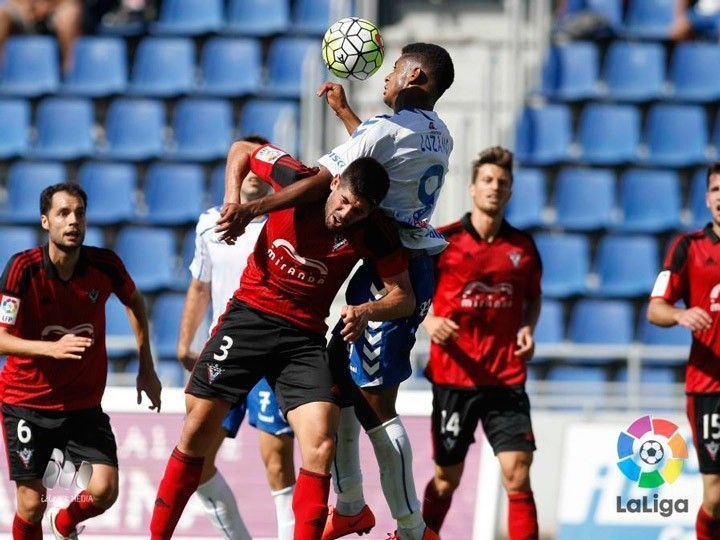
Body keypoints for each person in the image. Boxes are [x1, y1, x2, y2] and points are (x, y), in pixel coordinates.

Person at [216, 42, 454, 540]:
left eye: (392, 71)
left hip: (397, 274)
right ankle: (349, 505)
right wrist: (348, 115)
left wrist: (253, 210)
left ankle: (413, 529)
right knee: (337, 380)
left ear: (412, 76)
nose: (385, 80)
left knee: (375, 402)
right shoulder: (439, 134)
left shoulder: (383, 129)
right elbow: (374, 173)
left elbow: (326, 181)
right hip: (408, 262)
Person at [149, 141, 416, 540]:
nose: (345, 215)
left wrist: (365, 312)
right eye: (343, 202)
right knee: (196, 431)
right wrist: (232, 201)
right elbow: (241, 148)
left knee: (320, 443)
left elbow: (404, 296)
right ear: (336, 181)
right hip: (248, 319)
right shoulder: (299, 180)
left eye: (358, 211)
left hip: (303, 337)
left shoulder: (374, 232)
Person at [0, 183, 162, 540]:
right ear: (45, 221)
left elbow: (135, 302)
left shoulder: (105, 266)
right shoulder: (22, 270)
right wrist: (51, 349)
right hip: (27, 404)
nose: (72, 221)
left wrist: (146, 367)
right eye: (62, 213)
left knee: (104, 490)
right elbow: (0, 338)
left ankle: (65, 524)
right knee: (31, 505)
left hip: (82, 408)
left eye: (79, 213)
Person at [418, 147, 541, 540]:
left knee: (517, 472)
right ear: (472, 189)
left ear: (510, 192)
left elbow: (532, 297)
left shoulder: (522, 247)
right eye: (487, 180)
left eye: (502, 182)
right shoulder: (444, 242)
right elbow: (412, 294)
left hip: (505, 377)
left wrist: (528, 328)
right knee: (445, 478)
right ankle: (423, 534)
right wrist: (429, 320)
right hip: (455, 377)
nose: (495, 187)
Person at [176, 136, 296, 540]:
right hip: (223, 351)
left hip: (269, 353)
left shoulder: (283, 222)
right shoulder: (209, 223)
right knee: (199, 459)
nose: (253, 174)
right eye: (248, 166)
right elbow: (199, 286)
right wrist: (184, 343)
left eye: (263, 167)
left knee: (276, 457)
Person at [647, 162, 720, 540]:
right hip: (710, 387)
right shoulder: (688, 248)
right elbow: (654, 308)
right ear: (708, 198)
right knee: (716, 496)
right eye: (716, 189)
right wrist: (681, 313)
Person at [0, 0, 82, 73]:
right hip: (24, 11)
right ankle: (3, 71)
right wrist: (26, 6)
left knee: (68, 15)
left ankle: (69, 72)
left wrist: (47, 6)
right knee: (1, 15)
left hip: (56, 9)